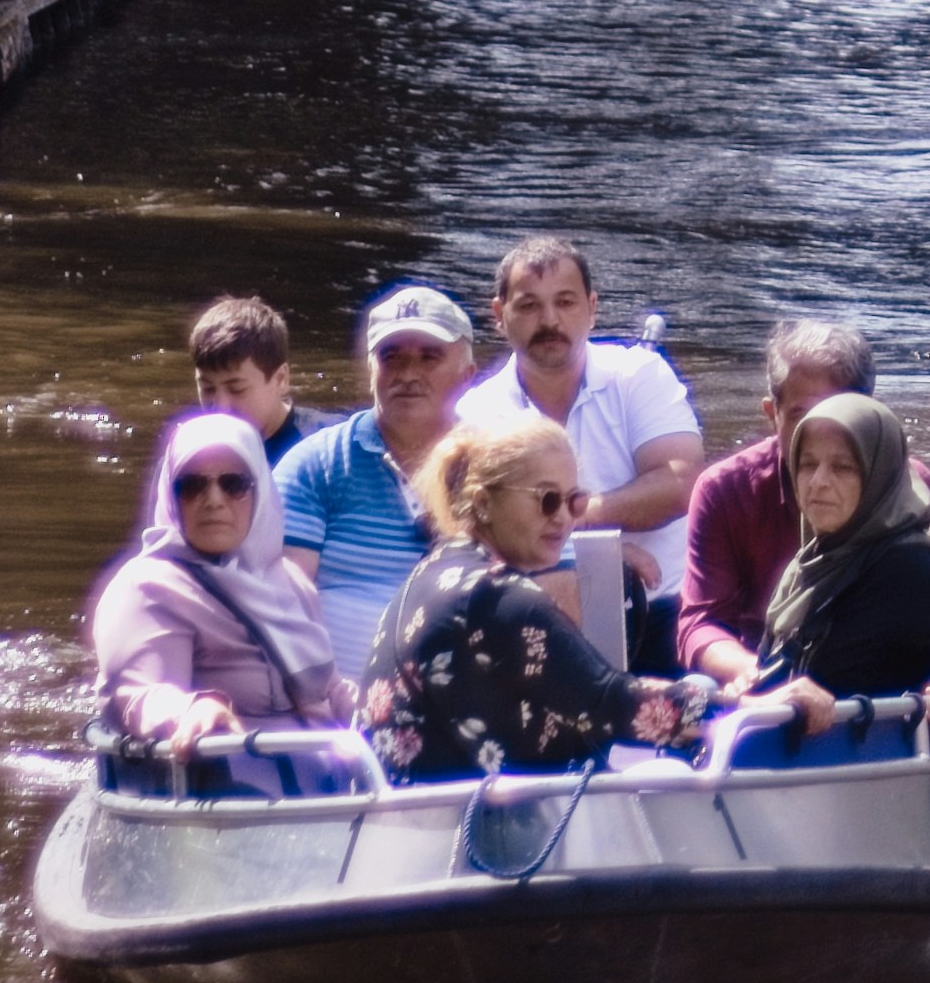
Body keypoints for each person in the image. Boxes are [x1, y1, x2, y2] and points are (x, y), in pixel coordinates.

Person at [359, 420, 688, 781]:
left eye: (574, 501)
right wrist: (738, 709)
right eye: (546, 500)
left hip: (408, 814)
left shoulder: (432, 570)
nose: (563, 517)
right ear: (483, 503)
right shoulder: (496, 596)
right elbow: (610, 704)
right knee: (676, 770)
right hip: (480, 824)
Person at [679, 320, 930, 686]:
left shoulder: (912, 490)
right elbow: (700, 624)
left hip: (879, 681)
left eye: (834, 413)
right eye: (799, 416)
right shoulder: (723, 490)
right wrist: (757, 675)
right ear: (772, 414)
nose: (816, 433)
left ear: (867, 418)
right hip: (767, 686)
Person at [455, 235, 709, 600]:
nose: (549, 320)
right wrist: (595, 554)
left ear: (591, 309)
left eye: (565, 302)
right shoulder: (476, 413)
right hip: (538, 607)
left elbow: (682, 484)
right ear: (499, 315)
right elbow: (478, 530)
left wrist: (572, 516)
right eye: (529, 306)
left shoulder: (640, 375)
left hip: (661, 606)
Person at [746, 392, 930, 736]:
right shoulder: (807, 566)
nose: (818, 481)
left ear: (878, 475)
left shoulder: (911, 565)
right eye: (808, 464)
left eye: (842, 467)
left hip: (863, 768)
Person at [92, 410, 354, 754]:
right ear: (171, 497)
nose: (214, 499)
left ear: (259, 493)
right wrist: (190, 709)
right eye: (192, 485)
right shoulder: (147, 588)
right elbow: (138, 695)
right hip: (230, 786)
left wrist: (382, 703)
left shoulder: (289, 582)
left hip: (329, 776)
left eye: (234, 484)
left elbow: (329, 691)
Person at [275, 282, 478, 664]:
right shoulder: (314, 466)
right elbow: (282, 606)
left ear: (467, 374)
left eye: (428, 357)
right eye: (392, 357)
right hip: (337, 704)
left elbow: (546, 582)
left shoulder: (499, 468)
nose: (408, 374)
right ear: (371, 369)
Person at [187, 294, 332, 443]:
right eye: (207, 388)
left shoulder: (331, 447)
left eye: (237, 389)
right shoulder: (190, 453)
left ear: (280, 379)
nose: (220, 407)